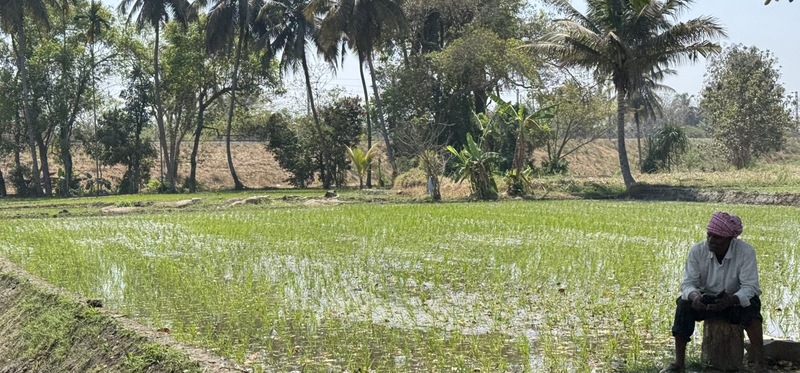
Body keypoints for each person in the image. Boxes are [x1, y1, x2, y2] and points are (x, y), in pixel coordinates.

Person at [661, 211, 765, 373]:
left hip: (733, 301)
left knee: (752, 309)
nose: (711, 240)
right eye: (709, 235)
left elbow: (750, 287)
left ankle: (760, 364)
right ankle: (679, 363)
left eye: (717, 237)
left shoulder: (745, 252)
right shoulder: (697, 251)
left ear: (730, 239)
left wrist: (731, 300)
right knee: (683, 304)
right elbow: (688, 284)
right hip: (705, 301)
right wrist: (695, 297)